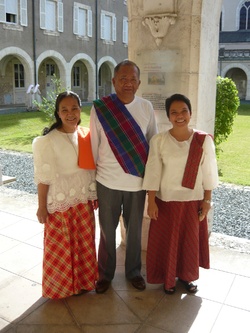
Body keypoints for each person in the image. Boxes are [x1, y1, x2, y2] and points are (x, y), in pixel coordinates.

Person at [90, 60, 157, 293]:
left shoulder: (146, 107)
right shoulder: (100, 108)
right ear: (113, 81)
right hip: (106, 180)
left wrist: (151, 185)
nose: (128, 83)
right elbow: (93, 145)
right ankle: (105, 275)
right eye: (123, 79)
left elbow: (152, 146)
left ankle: (134, 272)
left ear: (138, 83)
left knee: (135, 230)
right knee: (107, 230)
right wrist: (92, 183)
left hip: (136, 181)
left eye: (132, 79)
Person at [142, 93, 219, 294]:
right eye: (174, 112)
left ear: (190, 113)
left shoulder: (202, 140)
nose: (179, 116)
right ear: (168, 116)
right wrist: (151, 200)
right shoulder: (159, 140)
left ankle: (187, 277)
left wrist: (207, 200)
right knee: (166, 242)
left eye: (183, 111)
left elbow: (208, 171)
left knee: (188, 242)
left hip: (192, 201)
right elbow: (153, 171)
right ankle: (167, 279)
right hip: (166, 201)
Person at [32, 91, 98, 299]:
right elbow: (44, 177)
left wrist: (93, 193)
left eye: (74, 108)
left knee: (84, 243)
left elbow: (90, 169)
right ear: (58, 113)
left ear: (80, 110)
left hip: (82, 199)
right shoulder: (47, 141)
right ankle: (61, 288)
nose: (70, 114)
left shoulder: (86, 134)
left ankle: (83, 283)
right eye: (65, 110)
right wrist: (41, 206)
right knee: (62, 247)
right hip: (61, 201)